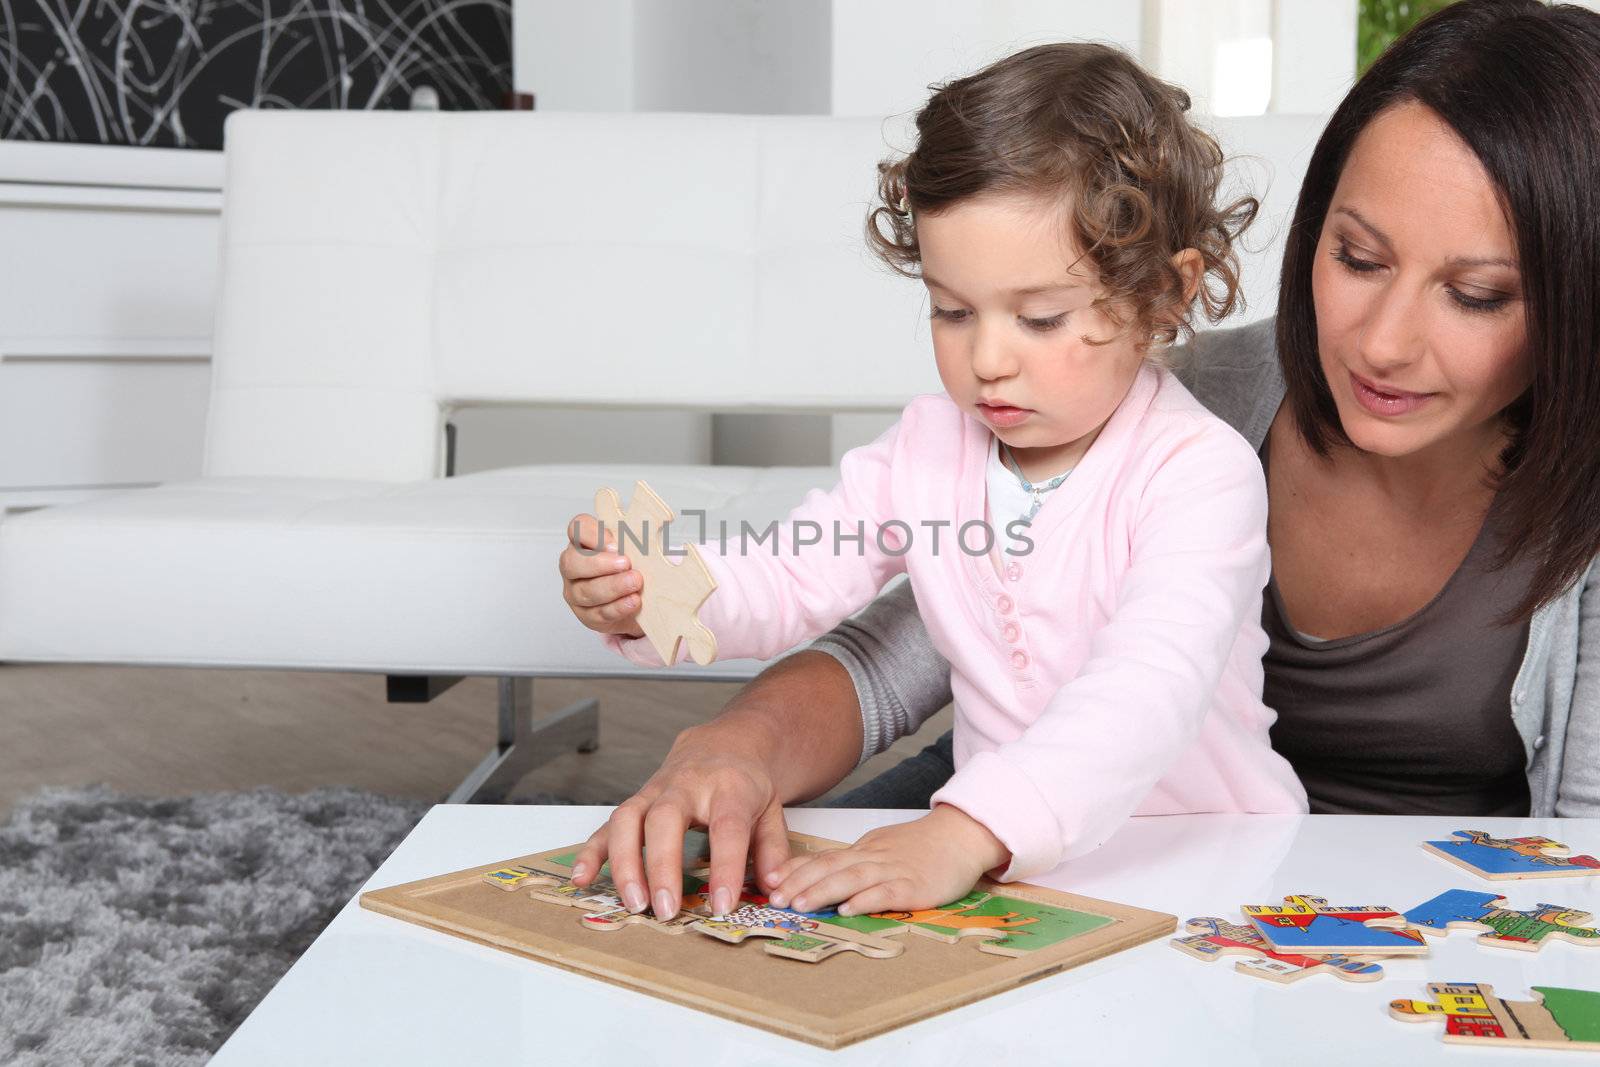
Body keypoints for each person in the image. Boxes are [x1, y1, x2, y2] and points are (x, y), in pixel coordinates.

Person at [560, 0, 1600, 925]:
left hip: (1237, 863)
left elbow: (1146, 684)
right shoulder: (1049, 409)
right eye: (1356, 257)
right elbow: (856, 610)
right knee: (741, 919)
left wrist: (971, 829)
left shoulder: (1186, 458)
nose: (1380, 342)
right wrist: (679, 626)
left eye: (1475, 293)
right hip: (1010, 813)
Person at [560, 41, 1308, 923]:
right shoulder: (926, 447)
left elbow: (1146, 688)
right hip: (1002, 871)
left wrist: (962, 829)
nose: (988, 359)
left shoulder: (1199, 472)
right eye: (952, 310)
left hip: (1204, 869)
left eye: (1039, 317)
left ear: (1165, 295)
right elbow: (797, 567)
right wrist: (661, 593)